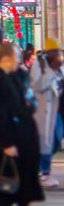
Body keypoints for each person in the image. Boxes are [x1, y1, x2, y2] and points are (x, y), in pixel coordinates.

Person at [0, 43, 44, 206]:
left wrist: (30, 105)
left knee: (22, 190)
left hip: (24, 140)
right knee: (3, 190)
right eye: (15, 58)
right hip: (4, 144)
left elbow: (28, 101)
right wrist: (5, 143)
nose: (18, 61)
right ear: (5, 59)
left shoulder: (19, 77)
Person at [30, 38, 64, 187]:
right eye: (56, 52)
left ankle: (39, 167)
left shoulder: (61, 66)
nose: (59, 55)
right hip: (47, 109)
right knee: (51, 139)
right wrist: (51, 71)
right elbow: (37, 86)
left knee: (55, 140)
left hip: (60, 107)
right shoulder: (40, 65)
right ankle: (44, 172)